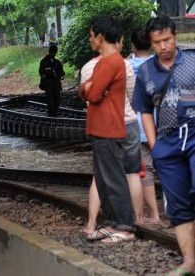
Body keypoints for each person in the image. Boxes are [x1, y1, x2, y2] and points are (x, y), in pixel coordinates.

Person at [132, 16, 195, 275]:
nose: (163, 46)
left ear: (175, 36)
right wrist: (156, 146)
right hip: (167, 143)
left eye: (167, 40)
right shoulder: (146, 71)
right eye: (157, 42)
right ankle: (190, 261)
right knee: (178, 205)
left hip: (193, 133)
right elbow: (144, 109)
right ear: (151, 42)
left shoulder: (192, 61)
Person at [81, 35, 145, 237]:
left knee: (114, 178)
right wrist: (89, 89)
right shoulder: (107, 63)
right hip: (107, 127)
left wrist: (90, 89)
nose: (90, 39)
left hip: (110, 126)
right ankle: (112, 223)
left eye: (92, 35)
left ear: (101, 37)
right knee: (105, 179)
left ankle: (125, 226)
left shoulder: (112, 62)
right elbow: (87, 91)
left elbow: (92, 94)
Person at [129, 28, 160, 224]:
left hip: (137, 127)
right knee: (168, 168)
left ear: (132, 45)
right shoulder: (159, 65)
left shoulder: (126, 66)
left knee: (144, 171)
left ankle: (153, 214)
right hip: (161, 126)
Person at [39, 45, 65, 117]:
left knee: (57, 100)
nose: (53, 54)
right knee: (50, 100)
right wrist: (47, 79)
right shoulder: (44, 62)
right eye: (52, 53)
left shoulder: (57, 62)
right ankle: (51, 113)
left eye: (55, 53)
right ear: (50, 52)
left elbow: (62, 72)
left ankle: (55, 112)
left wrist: (59, 75)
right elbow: (41, 73)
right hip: (49, 85)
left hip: (56, 84)